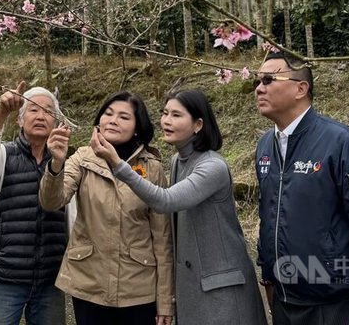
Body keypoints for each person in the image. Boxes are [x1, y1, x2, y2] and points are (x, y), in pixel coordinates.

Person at [91, 89, 267, 325]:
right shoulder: (178, 161)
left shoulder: (212, 166)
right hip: (193, 285)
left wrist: (117, 164)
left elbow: (165, 201)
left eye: (176, 115)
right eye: (164, 113)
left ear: (197, 125)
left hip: (221, 289)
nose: (166, 121)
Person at [253, 51, 349, 325]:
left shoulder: (339, 143)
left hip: (333, 306)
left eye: (269, 79)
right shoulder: (265, 147)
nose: (259, 88)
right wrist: (268, 275)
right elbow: (269, 214)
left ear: (301, 88)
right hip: (285, 303)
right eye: (257, 81)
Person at [40, 90, 174, 325]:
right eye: (108, 113)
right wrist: (57, 163)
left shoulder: (152, 168)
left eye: (123, 117)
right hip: (89, 282)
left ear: (137, 127)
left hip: (139, 287)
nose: (113, 120)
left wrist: (165, 301)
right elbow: (52, 201)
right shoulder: (82, 158)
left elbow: (162, 239)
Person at [0, 82, 67, 325]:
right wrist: (2, 111)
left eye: (47, 111)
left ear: (56, 122)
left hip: (50, 278)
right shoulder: (2, 156)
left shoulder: (67, 162)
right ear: (19, 119)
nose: (40, 116)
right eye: (32, 109)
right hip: (4, 277)